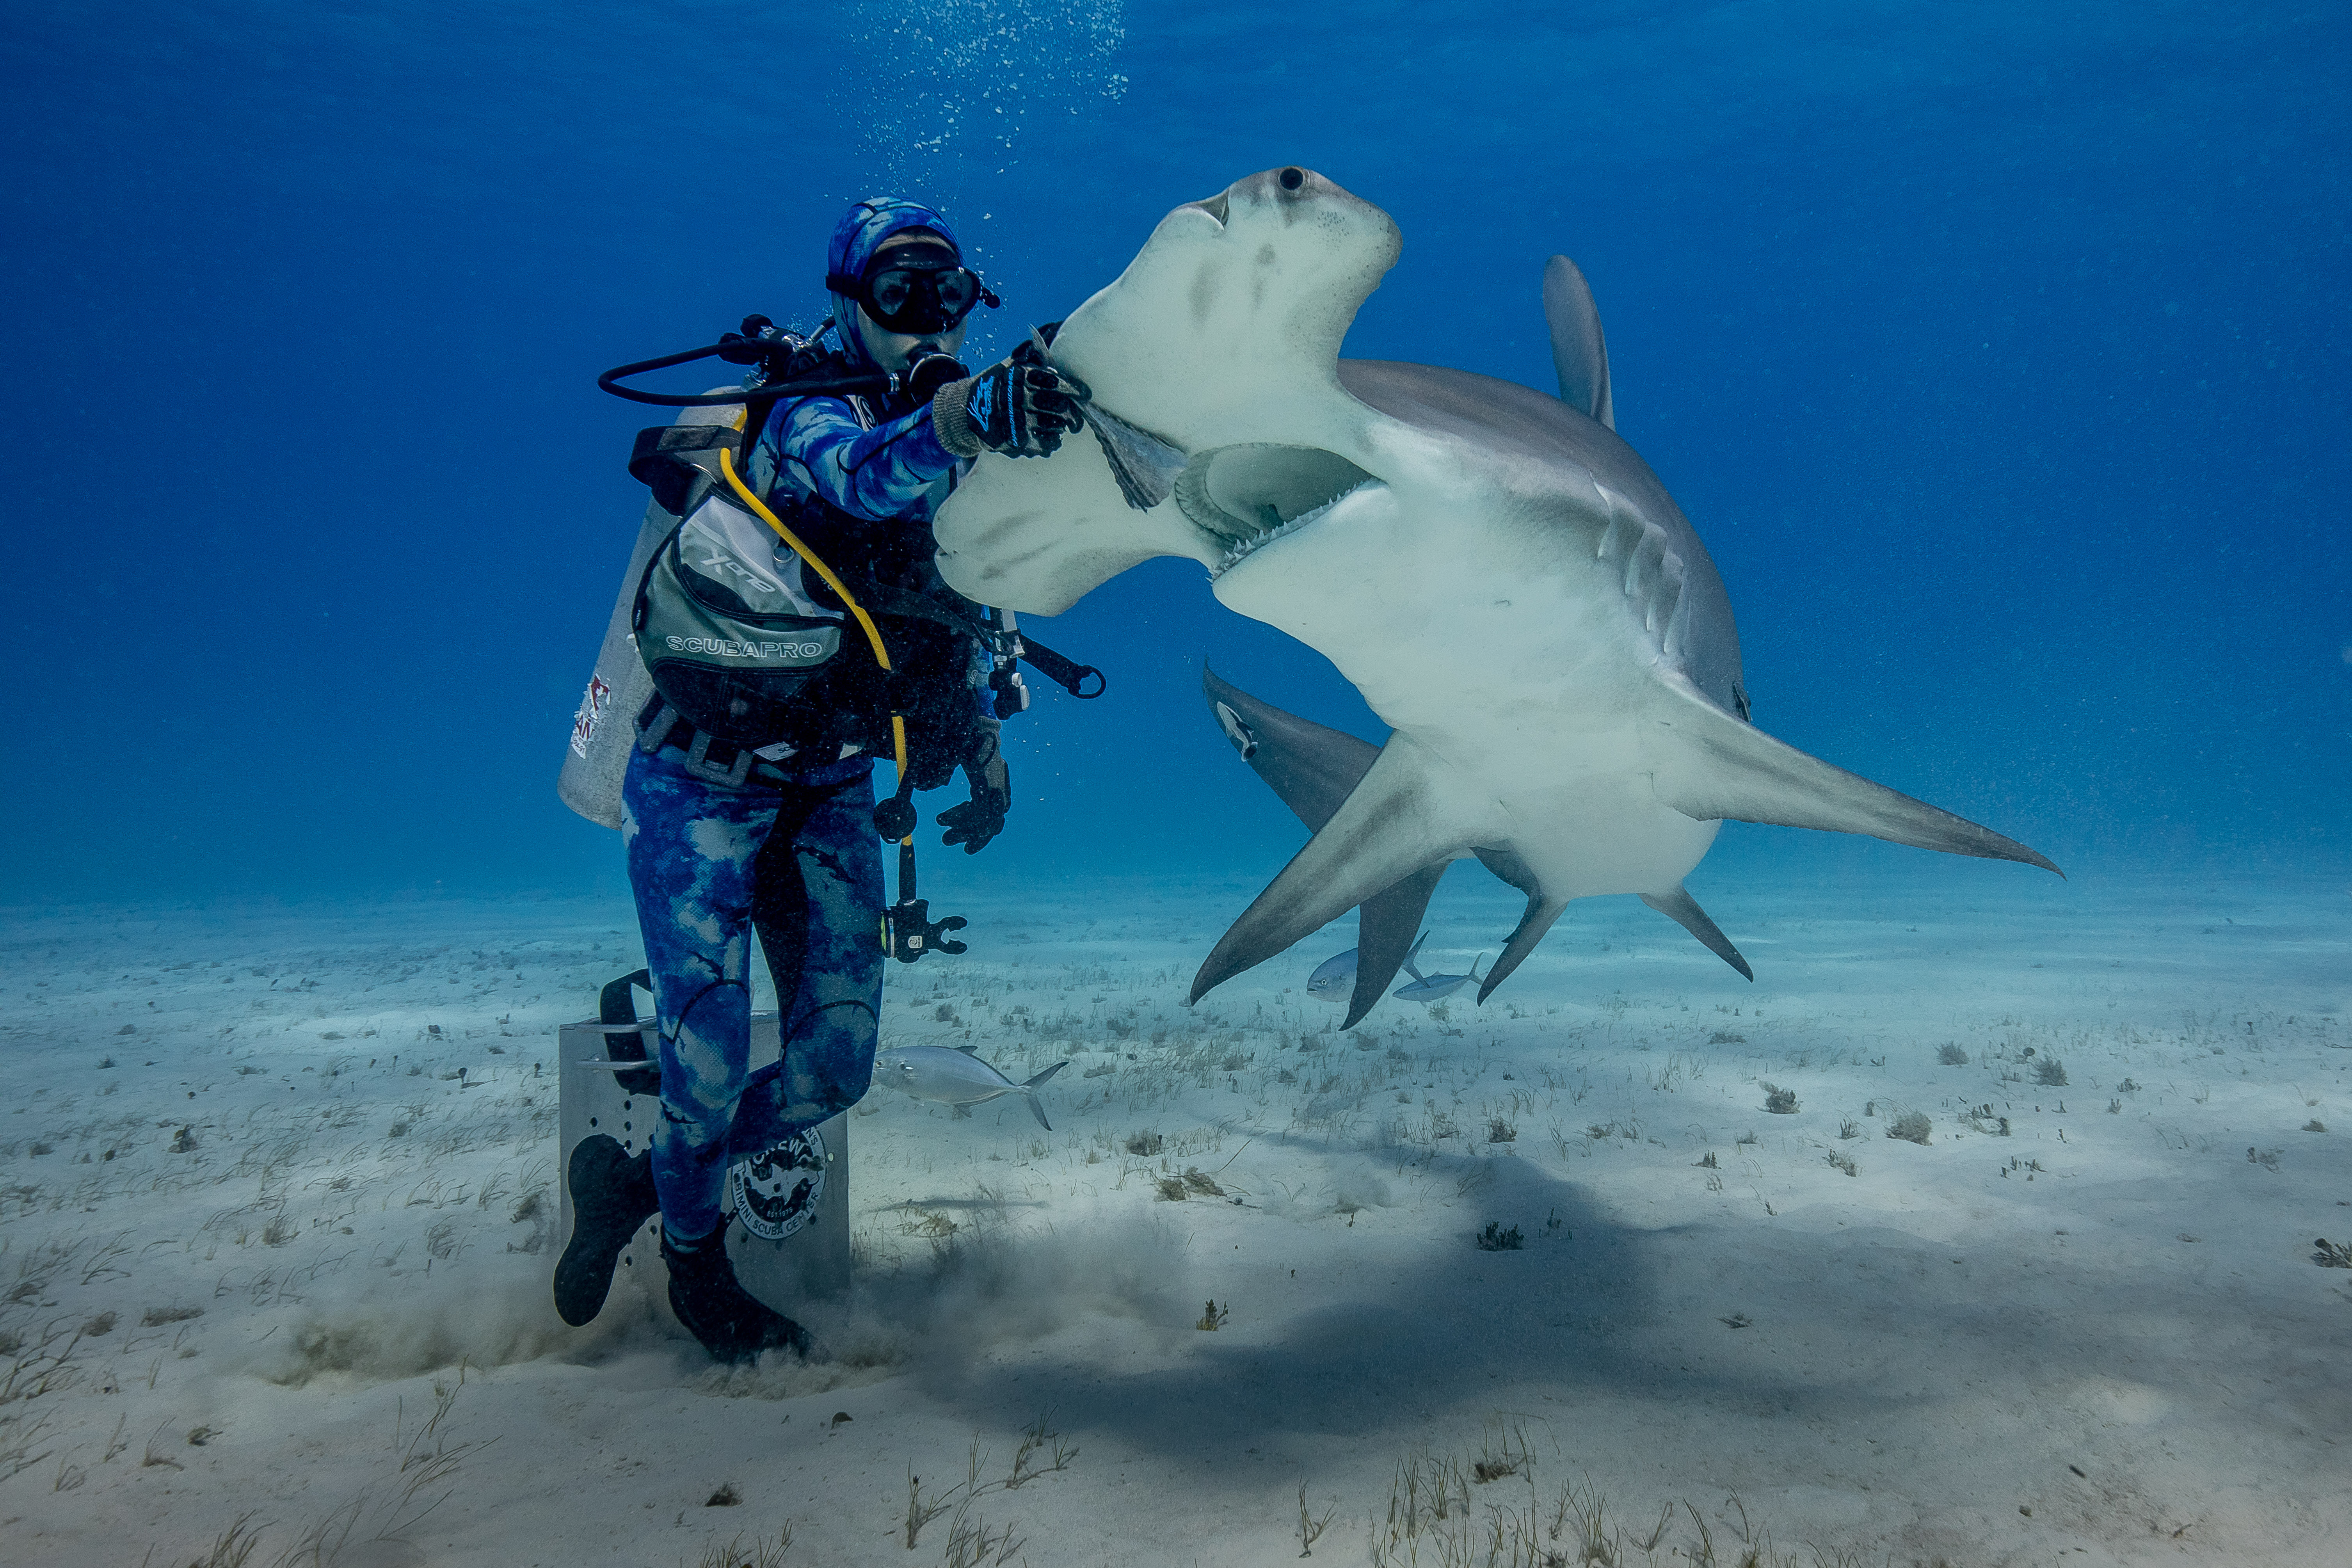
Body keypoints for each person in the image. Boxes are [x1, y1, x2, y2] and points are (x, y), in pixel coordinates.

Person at [555, 197, 1085, 1362]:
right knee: (699, 1075)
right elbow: (855, 478)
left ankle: (632, 1187)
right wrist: (964, 413)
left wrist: (984, 748)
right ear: (849, 299)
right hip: (700, 783)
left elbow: (959, 603)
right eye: (899, 295)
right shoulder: (797, 409)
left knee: (833, 1069)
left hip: (834, 788)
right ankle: (699, 1268)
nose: (923, 320)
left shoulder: (956, 447)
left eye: (946, 297)